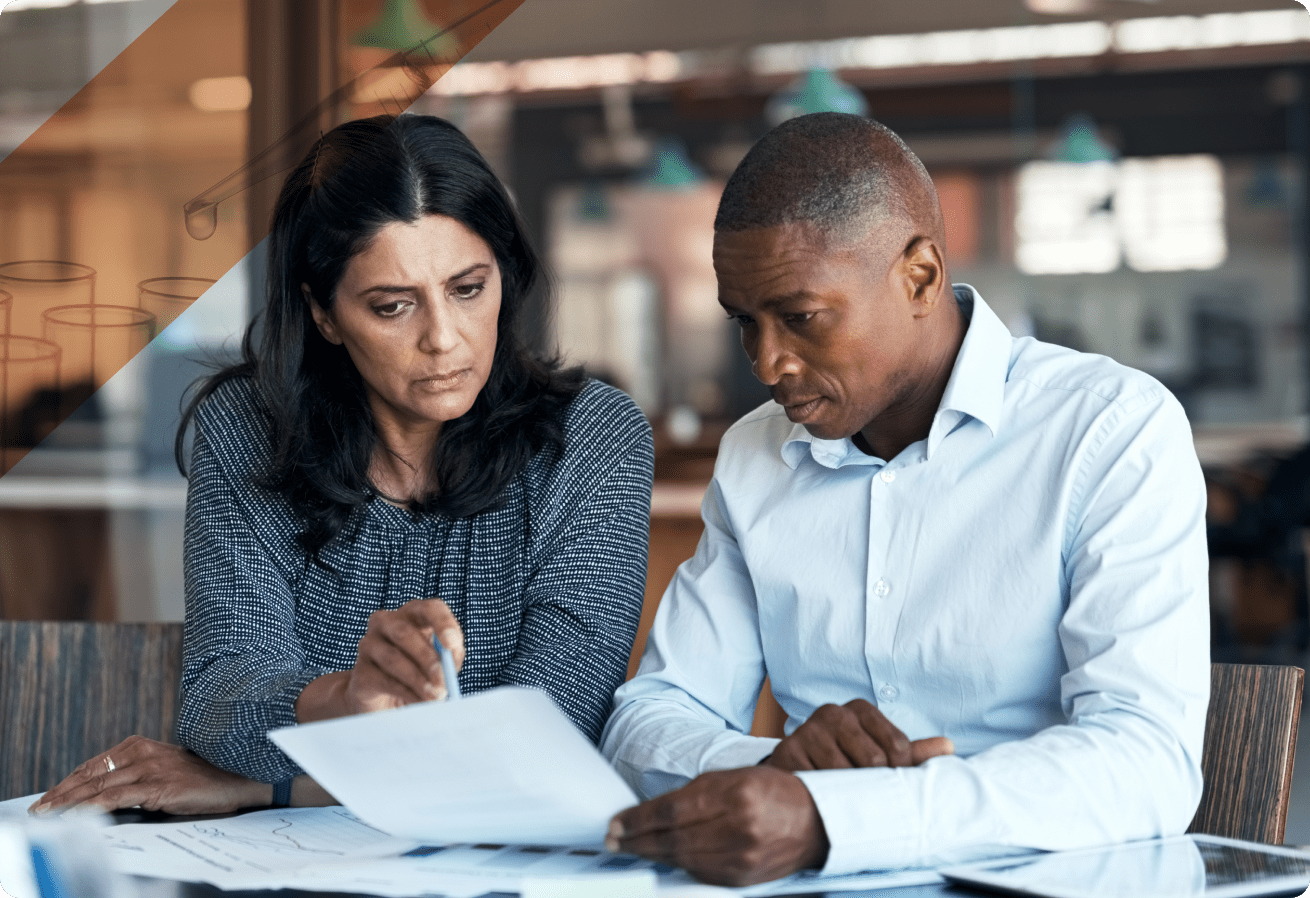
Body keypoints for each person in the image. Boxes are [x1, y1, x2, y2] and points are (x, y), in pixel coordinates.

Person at [600, 112, 1209, 887]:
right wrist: (772, 768)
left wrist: (838, 818)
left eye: (799, 317)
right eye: (744, 323)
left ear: (918, 276)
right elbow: (650, 720)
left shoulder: (1110, 430)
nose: (767, 361)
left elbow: (1144, 763)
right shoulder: (756, 456)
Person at [32, 113, 654, 815]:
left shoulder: (592, 437)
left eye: (469, 289)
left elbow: (553, 731)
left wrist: (264, 787)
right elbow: (217, 707)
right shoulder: (247, 428)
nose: (445, 340)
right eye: (392, 307)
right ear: (323, 313)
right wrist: (349, 697)